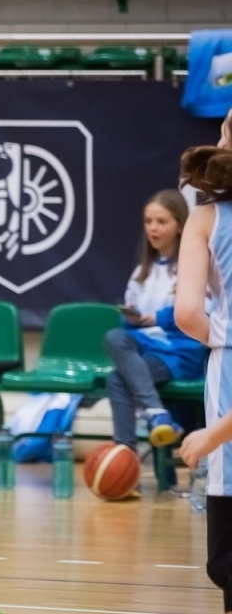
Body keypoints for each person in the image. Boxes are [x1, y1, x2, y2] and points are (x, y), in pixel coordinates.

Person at [168, 115, 232, 614]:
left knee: (227, 556)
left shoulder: (207, 219)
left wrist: (212, 436)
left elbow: (187, 312)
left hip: (227, 377)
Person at [104, 189, 205, 451]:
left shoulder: (193, 266)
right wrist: (132, 318)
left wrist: (157, 318)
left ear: (180, 225)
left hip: (179, 351)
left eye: (161, 221)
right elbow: (130, 326)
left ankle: (126, 450)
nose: (153, 228)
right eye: (148, 221)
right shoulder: (142, 272)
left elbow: (200, 312)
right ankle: (156, 414)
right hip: (148, 348)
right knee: (114, 336)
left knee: (116, 379)